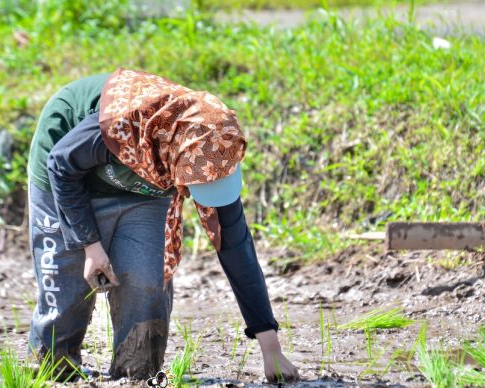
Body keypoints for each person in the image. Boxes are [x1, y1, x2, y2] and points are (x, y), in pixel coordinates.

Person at [26, 68, 299, 383]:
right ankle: (51, 368)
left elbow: (237, 250)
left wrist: (272, 349)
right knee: (68, 282)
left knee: (146, 279)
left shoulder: (212, 150)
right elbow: (61, 163)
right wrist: (90, 245)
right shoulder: (125, 120)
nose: (203, 192)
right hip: (66, 165)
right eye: (198, 183)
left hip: (146, 183)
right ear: (178, 156)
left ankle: (134, 373)